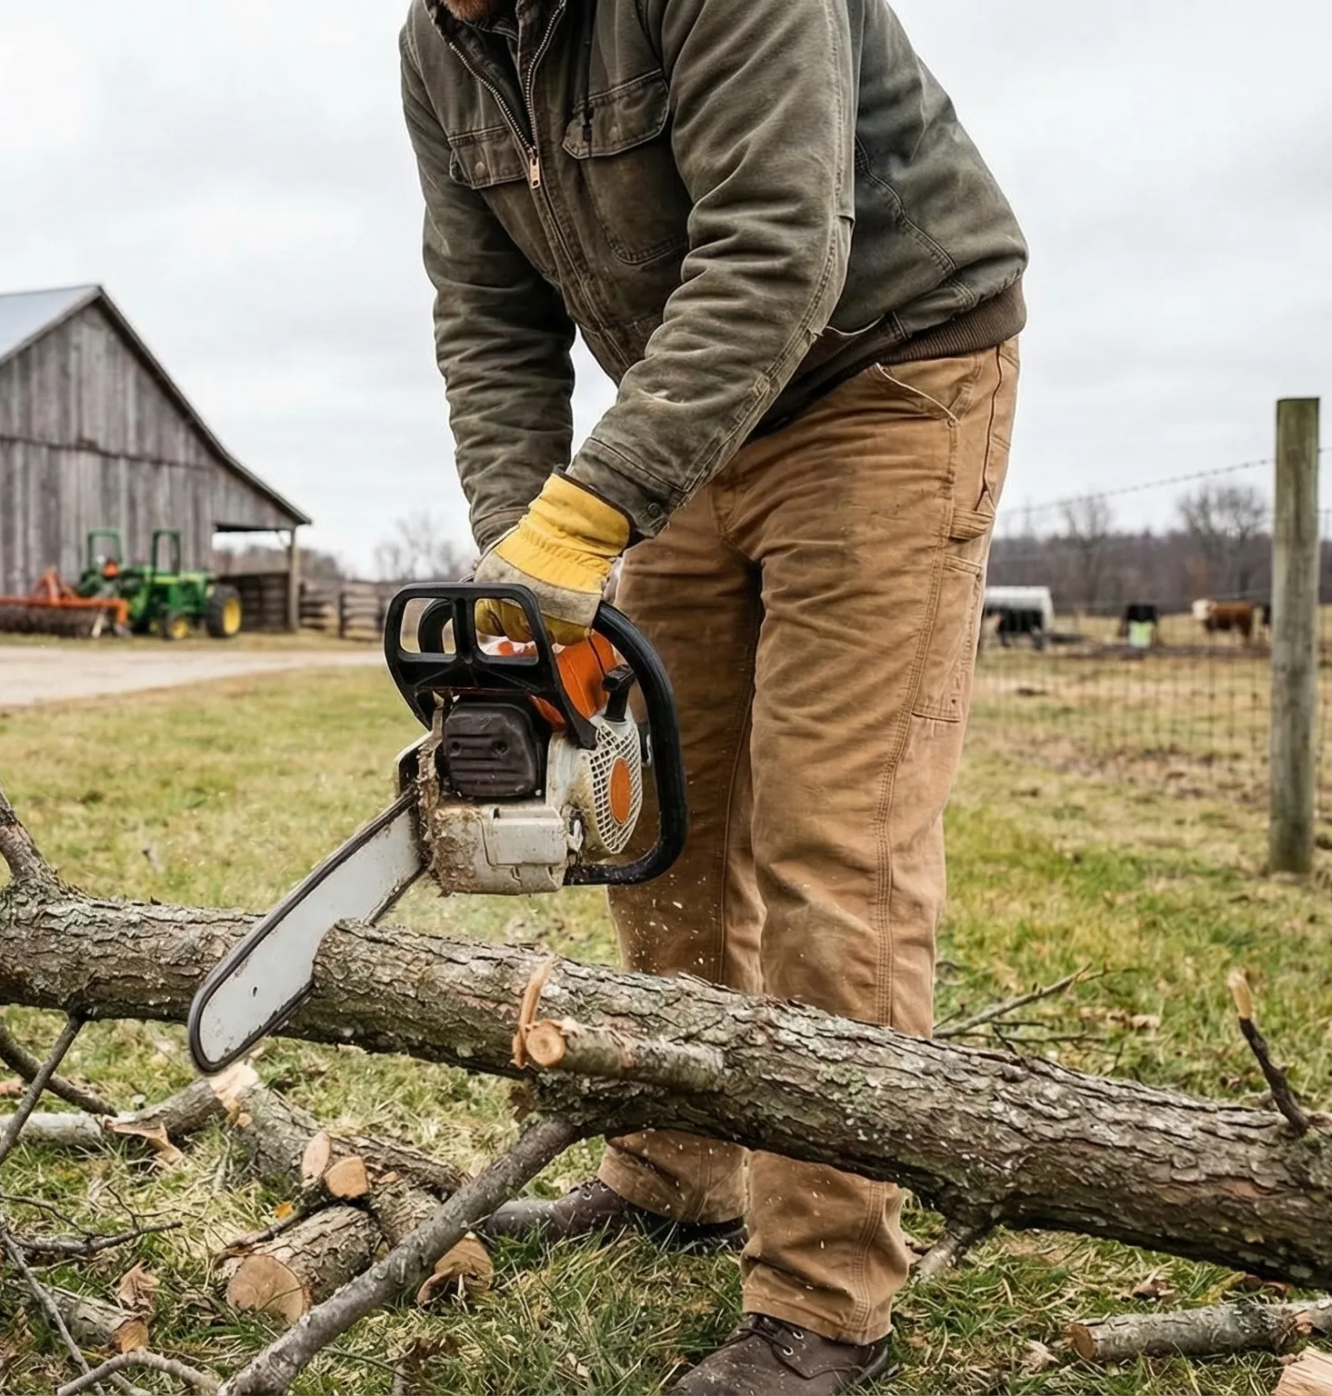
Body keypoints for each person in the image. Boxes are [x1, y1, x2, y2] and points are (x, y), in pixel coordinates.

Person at [400, 1, 1026, 1391]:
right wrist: (528, 548)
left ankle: (821, 1297)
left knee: (829, 846)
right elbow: (490, 315)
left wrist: (602, 501)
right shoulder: (439, 48)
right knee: (656, 806)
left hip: (885, 373)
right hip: (685, 407)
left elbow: (777, 243)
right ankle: (679, 1165)